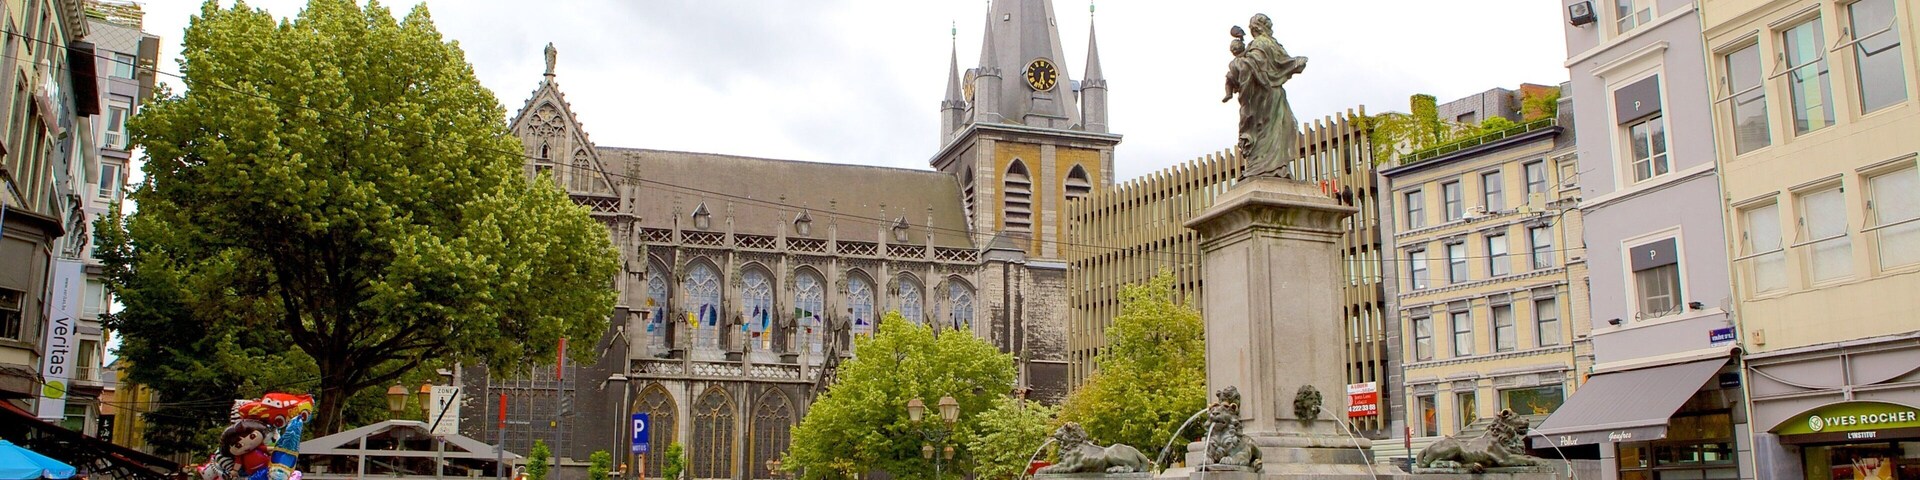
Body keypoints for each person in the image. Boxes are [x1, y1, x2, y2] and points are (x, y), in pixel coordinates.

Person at [1223, 13, 1308, 179]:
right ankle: (1270, 167)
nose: (1271, 29)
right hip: (1267, 95)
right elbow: (1278, 63)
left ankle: (1270, 167)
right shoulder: (1262, 44)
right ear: (1261, 27)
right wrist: (1295, 62)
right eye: (1269, 26)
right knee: (1271, 129)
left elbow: (1246, 68)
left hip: (1263, 96)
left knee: (1270, 129)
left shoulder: (1256, 46)